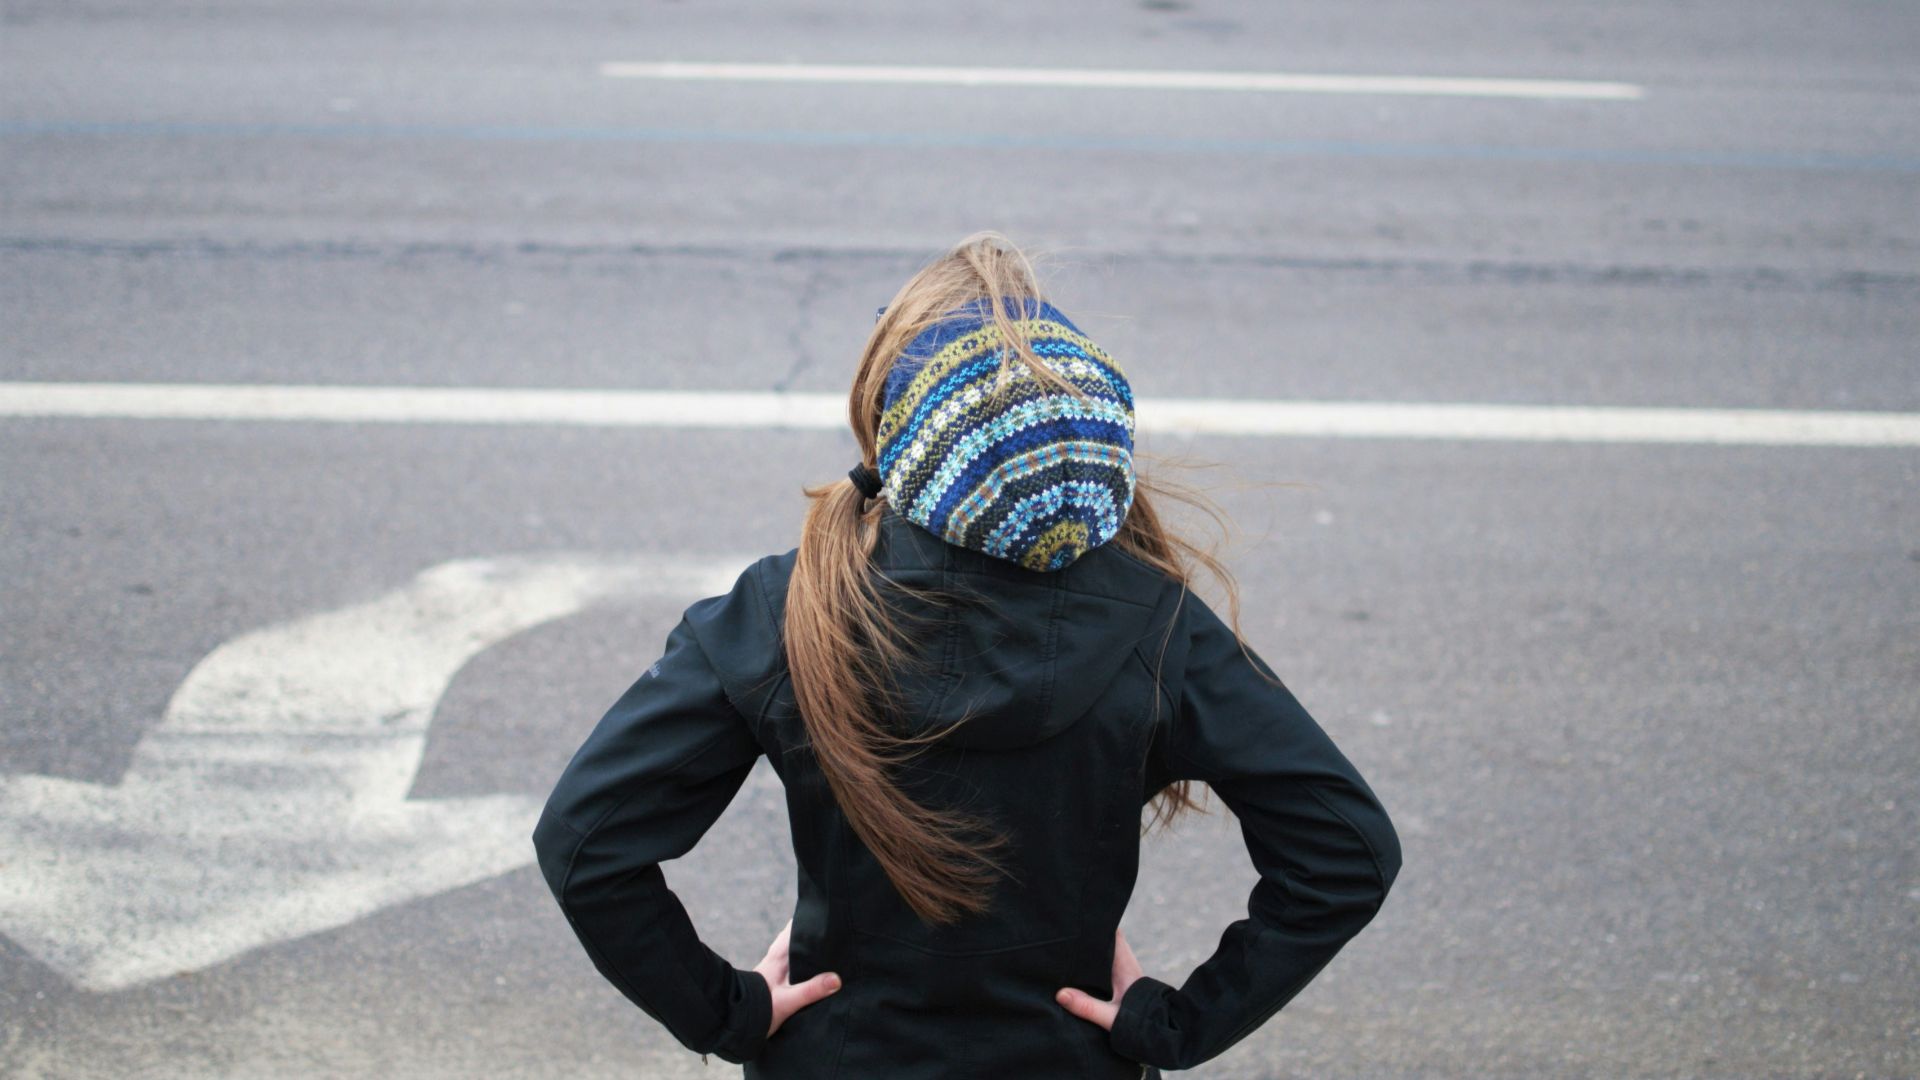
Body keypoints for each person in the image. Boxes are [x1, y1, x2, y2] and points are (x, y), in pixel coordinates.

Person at [531, 231, 1403, 1078]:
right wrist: (1179, 1023)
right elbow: (1347, 851)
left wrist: (726, 1010)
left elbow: (585, 842)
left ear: (899, 442)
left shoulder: (790, 610)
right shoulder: (1159, 628)